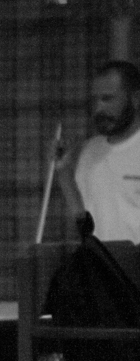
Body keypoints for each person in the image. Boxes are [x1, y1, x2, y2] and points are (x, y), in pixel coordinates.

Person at [54, 60, 140, 244]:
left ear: (135, 99)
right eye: (95, 100)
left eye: (107, 99)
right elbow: (82, 219)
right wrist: (64, 173)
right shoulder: (88, 151)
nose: (99, 108)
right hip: (98, 260)